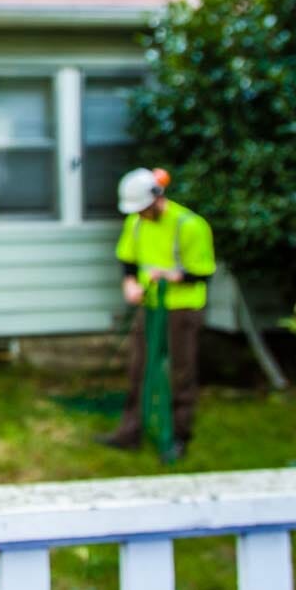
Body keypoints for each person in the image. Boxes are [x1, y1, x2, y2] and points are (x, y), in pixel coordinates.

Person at [98, 167, 216, 460]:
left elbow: (203, 274)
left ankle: (177, 437)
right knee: (138, 369)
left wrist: (169, 275)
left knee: (180, 373)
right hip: (150, 306)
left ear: (157, 198)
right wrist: (130, 284)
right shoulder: (136, 223)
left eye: (144, 209)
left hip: (182, 309)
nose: (140, 214)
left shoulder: (190, 225)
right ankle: (130, 432)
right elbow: (127, 258)